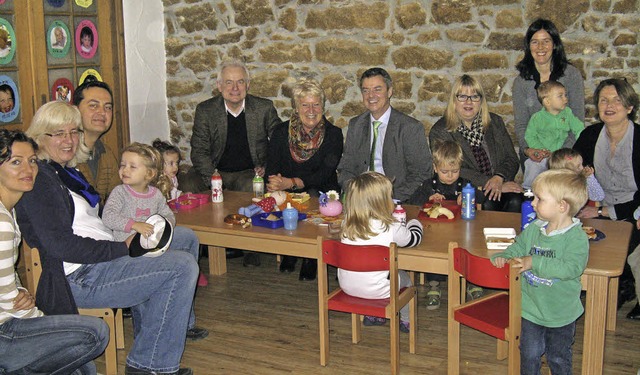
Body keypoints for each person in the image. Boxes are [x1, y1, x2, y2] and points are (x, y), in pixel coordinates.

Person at [16, 102, 198, 375]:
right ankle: (149, 366)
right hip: (81, 276)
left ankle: (153, 337)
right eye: (58, 133)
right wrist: (121, 247)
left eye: (73, 131)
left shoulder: (67, 172)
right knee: (181, 266)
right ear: (40, 138)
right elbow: (62, 245)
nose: (69, 140)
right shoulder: (41, 180)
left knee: (183, 238)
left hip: (102, 258)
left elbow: (95, 220)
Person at [0, 129, 109, 375]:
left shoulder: (10, 212)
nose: (28, 169)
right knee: (94, 333)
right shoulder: (3, 222)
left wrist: (18, 289)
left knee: (83, 368)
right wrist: (40, 317)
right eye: (16, 162)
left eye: (32, 161)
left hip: (9, 319)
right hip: (4, 333)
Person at [491, 168, 589, 375]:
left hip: (560, 313)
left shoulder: (576, 238)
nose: (533, 203)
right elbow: (518, 246)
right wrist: (504, 255)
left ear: (562, 206)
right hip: (530, 308)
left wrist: (534, 262)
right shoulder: (535, 228)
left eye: (539, 199)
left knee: (558, 357)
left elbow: (571, 268)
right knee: (528, 353)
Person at [190, 59, 281, 267]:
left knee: (251, 188)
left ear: (248, 85)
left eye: (240, 82)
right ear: (219, 85)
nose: (235, 88)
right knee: (188, 184)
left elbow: (278, 144)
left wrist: (266, 167)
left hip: (248, 172)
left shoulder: (264, 108)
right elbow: (199, 150)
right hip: (215, 170)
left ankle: (251, 247)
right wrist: (213, 177)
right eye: (229, 83)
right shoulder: (206, 110)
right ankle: (199, 244)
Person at [573, 78, 640, 316]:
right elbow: (570, 172)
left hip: (633, 209)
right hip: (596, 203)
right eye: (604, 100)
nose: (609, 105)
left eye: (616, 100)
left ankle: (621, 286)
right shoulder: (590, 135)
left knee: (625, 237)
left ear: (630, 107)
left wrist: (604, 212)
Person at [265, 77, 343, 280]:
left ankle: (312, 257)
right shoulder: (281, 133)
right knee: (280, 197)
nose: (311, 110)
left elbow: (325, 173)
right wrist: (275, 182)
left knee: (311, 194)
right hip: (287, 188)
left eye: (316, 104)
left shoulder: (334, 134)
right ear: (296, 107)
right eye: (305, 104)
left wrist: (292, 182)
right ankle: (292, 251)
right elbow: (271, 167)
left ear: (322, 106)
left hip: (323, 190)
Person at [103, 142, 209, 291]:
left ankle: (187, 280)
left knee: (189, 235)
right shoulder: (120, 192)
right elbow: (108, 216)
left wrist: (166, 226)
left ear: (149, 174)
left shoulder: (156, 194)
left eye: (132, 167)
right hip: (130, 250)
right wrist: (134, 225)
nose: (125, 170)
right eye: (122, 165)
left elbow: (167, 213)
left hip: (154, 244)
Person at [338, 171, 423, 333]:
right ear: (381, 203)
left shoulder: (346, 224)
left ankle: (374, 315)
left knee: (374, 273)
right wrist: (415, 223)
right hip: (381, 290)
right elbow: (413, 239)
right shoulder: (390, 227)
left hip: (348, 286)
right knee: (406, 279)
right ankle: (406, 321)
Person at [429, 74, 523, 212]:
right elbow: (454, 169)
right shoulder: (440, 131)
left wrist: (499, 177)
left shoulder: (495, 122)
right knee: (489, 204)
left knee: (517, 200)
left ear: (481, 101)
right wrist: (490, 184)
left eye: (474, 96)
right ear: (454, 101)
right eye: (462, 96)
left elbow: (511, 158)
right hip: (463, 190)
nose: (469, 102)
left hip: (500, 183)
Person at [337, 67, 431, 202]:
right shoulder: (355, 125)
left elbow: (422, 174)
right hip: (360, 201)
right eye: (366, 90)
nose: (371, 96)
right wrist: (356, 192)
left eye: (377, 89)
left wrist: (388, 197)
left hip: (397, 200)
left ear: (390, 91)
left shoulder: (409, 128)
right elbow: (345, 169)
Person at [513, 18, 585, 171]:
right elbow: (521, 125)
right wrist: (529, 149)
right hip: (535, 156)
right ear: (528, 46)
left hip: (565, 155)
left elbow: (577, 120)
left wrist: (560, 154)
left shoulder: (571, 75)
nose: (540, 47)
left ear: (554, 44)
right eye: (535, 42)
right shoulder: (521, 82)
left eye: (546, 41)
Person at [522, 81, 584, 188]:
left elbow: (579, 129)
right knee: (532, 165)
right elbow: (530, 136)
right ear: (547, 101)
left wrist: (581, 144)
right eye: (560, 96)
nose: (565, 99)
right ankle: (529, 190)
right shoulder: (537, 118)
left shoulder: (567, 113)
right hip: (542, 154)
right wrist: (540, 149)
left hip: (560, 155)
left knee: (572, 166)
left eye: (565, 95)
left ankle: (568, 192)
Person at [74, 78, 121, 205]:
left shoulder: (106, 154)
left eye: (108, 107)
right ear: (75, 110)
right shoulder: (66, 154)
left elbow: (119, 199)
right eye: (93, 105)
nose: (102, 112)